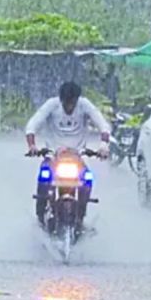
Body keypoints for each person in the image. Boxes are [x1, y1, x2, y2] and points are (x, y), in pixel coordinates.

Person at [25, 81, 111, 231]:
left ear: (77, 100)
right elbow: (32, 125)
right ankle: (40, 215)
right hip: (53, 155)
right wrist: (32, 145)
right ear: (61, 99)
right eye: (66, 102)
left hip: (77, 155)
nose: (69, 106)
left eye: (72, 102)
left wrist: (103, 146)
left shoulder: (84, 105)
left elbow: (103, 125)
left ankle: (81, 215)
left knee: (87, 180)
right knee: (44, 179)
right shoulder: (52, 105)